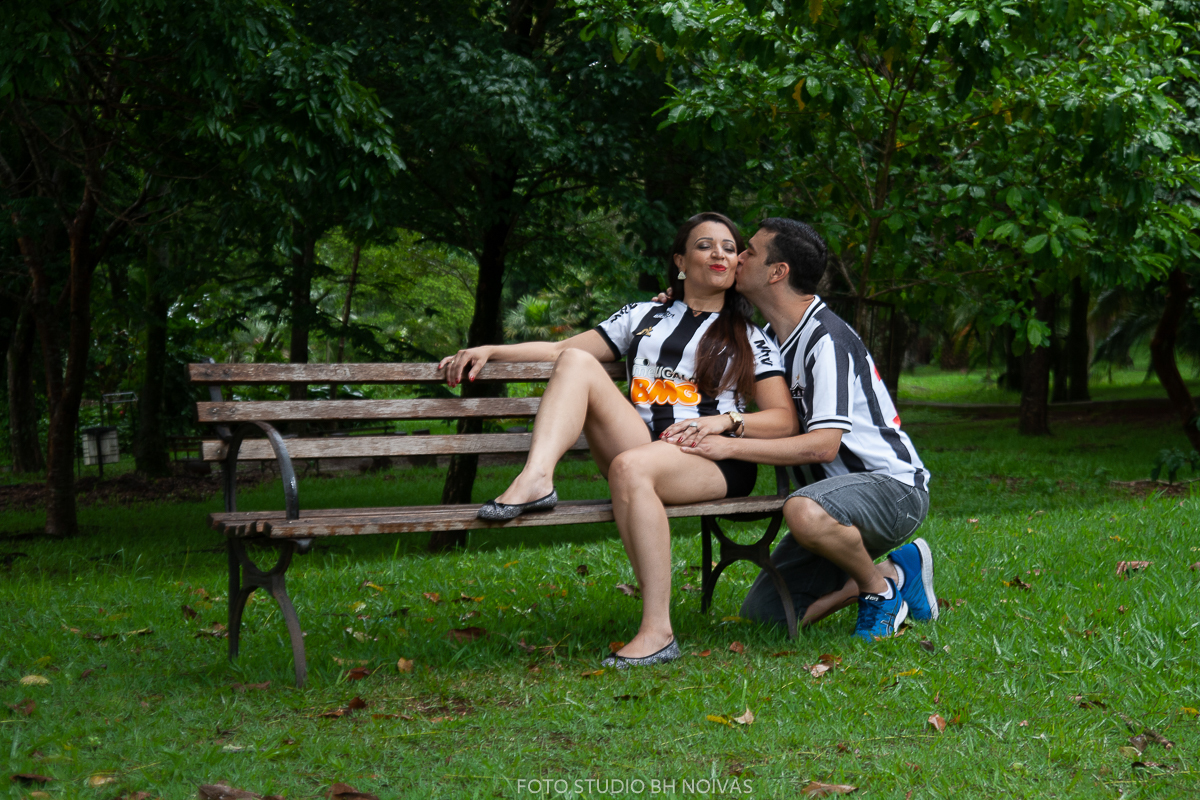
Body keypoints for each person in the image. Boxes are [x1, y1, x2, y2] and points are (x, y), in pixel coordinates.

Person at [438, 212, 798, 667]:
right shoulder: (643, 314)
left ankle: (657, 632)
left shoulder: (748, 336)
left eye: (729, 247)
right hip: (643, 444)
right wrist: (491, 349)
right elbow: (556, 350)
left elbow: (783, 420)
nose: (720, 254)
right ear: (680, 261)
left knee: (632, 468)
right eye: (705, 245)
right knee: (576, 362)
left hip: (711, 458)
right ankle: (537, 479)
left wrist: (726, 422)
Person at [671, 218, 935, 641]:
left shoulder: (826, 339)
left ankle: (878, 593)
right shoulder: (771, 340)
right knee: (766, 620)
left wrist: (728, 446)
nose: (736, 257)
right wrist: (676, 303)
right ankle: (895, 574)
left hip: (891, 490)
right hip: (830, 503)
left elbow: (823, 446)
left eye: (749, 252)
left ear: (778, 272)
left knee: (802, 511)